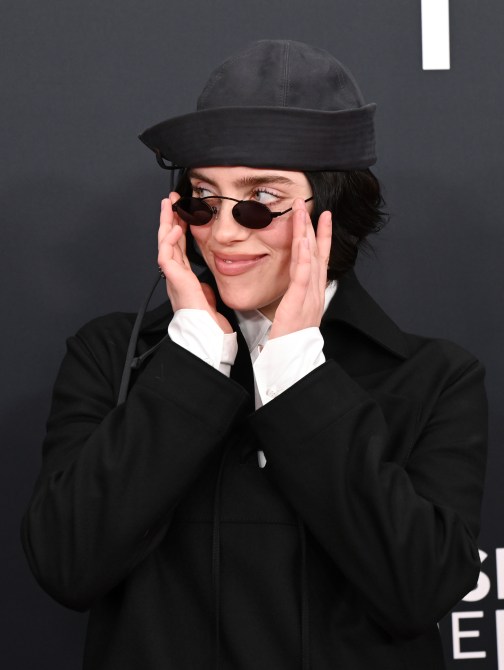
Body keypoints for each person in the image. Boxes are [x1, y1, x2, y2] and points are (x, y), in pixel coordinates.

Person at [22, 40, 487, 670]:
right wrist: (192, 360)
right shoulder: (111, 358)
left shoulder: (434, 379)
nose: (223, 232)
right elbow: (66, 564)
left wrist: (295, 372)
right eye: (201, 199)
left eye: (260, 201)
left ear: (333, 210)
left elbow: (418, 590)